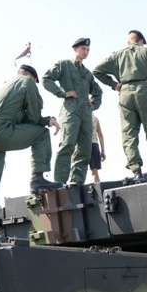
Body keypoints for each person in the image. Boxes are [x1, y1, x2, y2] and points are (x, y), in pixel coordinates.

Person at [0, 65, 62, 240]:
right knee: (42, 134)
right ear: (33, 78)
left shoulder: (2, 87)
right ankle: (38, 179)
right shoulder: (27, 82)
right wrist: (48, 120)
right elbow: (33, 117)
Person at [93, 30, 147, 180]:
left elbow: (97, 71)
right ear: (141, 41)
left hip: (124, 93)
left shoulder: (117, 55)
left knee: (129, 134)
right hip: (144, 90)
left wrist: (114, 84)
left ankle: (136, 171)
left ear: (128, 42)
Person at [42, 38, 103, 186]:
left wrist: (93, 104)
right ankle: (59, 181)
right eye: (83, 49)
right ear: (75, 49)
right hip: (70, 112)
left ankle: (77, 181)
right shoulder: (64, 65)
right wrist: (62, 93)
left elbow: (98, 92)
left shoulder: (88, 74)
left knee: (84, 149)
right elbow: (46, 79)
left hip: (86, 115)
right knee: (67, 144)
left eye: (88, 49)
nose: (86, 52)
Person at [90, 113, 106, 183]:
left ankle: (79, 193)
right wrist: (103, 151)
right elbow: (100, 135)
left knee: (81, 172)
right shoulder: (95, 119)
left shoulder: (79, 117)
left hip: (82, 145)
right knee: (95, 172)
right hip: (94, 145)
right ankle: (98, 192)